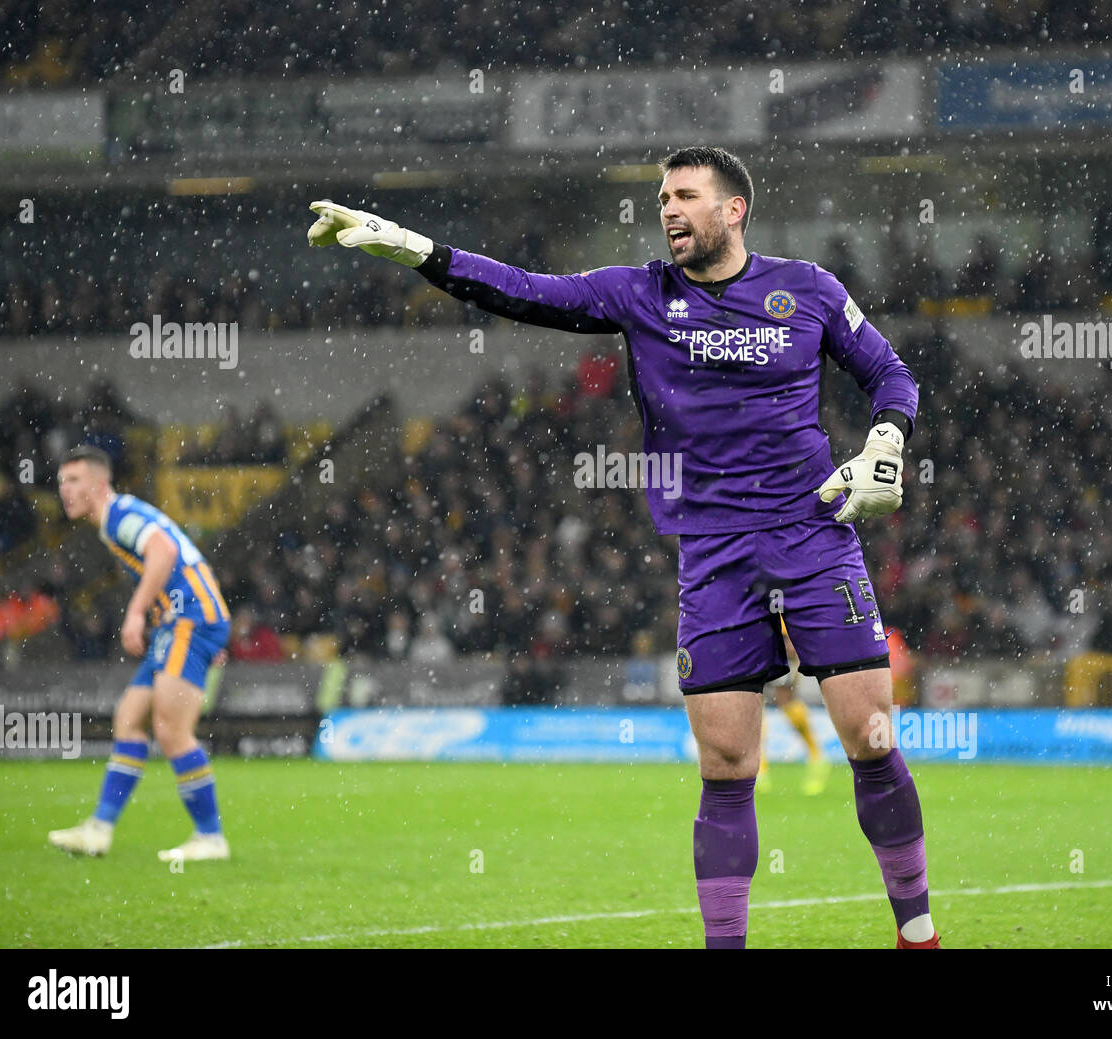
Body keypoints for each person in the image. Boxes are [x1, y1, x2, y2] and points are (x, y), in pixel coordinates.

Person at [305, 145, 937, 949]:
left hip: (814, 534)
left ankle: (917, 933)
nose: (668, 210)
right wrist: (415, 248)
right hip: (710, 552)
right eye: (662, 198)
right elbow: (524, 292)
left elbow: (892, 374)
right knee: (726, 763)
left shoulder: (807, 288)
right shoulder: (640, 293)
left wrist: (886, 441)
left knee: (872, 739)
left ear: (733, 209)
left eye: (685, 196)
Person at [47, 445, 232, 862]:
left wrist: (135, 613)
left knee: (170, 730)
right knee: (129, 720)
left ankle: (211, 837)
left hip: (189, 619)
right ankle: (99, 829)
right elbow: (187, 557)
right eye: (61, 482)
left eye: (74, 481)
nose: (65, 491)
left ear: (99, 484)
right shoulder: (119, 517)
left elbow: (164, 552)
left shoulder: (120, 517)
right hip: (183, 621)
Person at [756, 616, 831, 796]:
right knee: (761, 700)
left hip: (776, 645)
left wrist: (790, 641)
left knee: (778, 700)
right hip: (765, 642)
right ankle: (760, 767)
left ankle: (815, 757)